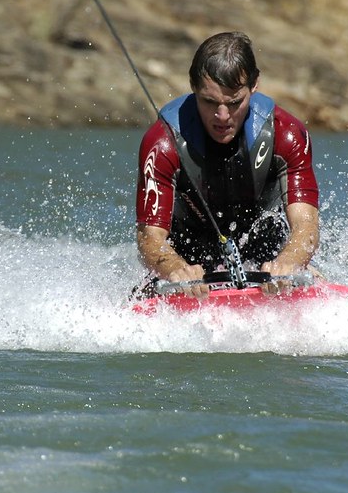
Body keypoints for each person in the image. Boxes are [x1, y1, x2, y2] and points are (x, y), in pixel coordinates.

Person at [135, 31, 321, 298]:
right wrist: (176, 268)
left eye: (234, 103)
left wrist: (291, 260)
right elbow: (149, 238)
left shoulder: (287, 135)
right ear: (193, 86)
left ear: (254, 85)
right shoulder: (161, 143)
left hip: (267, 253)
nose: (222, 117)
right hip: (188, 256)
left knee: (307, 273)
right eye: (209, 102)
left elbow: (306, 226)